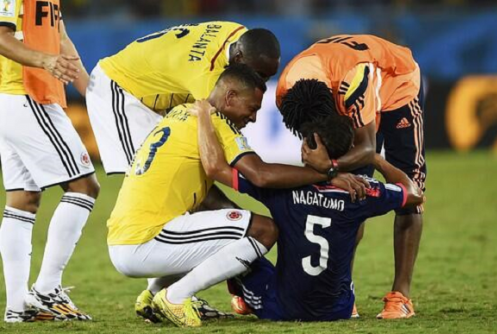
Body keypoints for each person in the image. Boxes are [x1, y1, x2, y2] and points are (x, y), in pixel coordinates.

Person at [106, 64, 366, 328]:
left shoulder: (181, 113)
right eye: (252, 108)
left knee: (241, 234)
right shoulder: (216, 121)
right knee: (265, 230)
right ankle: (175, 296)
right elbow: (261, 174)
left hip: (126, 239)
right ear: (229, 97)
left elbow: (209, 198)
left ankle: (151, 296)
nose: (253, 118)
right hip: (146, 238)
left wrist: (238, 226)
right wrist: (326, 174)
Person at [192, 98, 424, 321]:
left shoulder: (280, 186)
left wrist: (204, 116)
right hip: (338, 310)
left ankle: (244, 294)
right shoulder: (361, 191)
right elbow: (414, 195)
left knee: (234, 228)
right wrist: (375, 159)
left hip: (281, 308)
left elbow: (215, 168)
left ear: (308, 146)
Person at [275, 34, 426, 318]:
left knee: (410, 187)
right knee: (345, 197)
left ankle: (400, 296)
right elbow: (311, 148)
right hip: (341, 89)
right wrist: (332, 175)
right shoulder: (287, 94)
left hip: (396, 84)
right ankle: (342, 291)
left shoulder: (353, 80)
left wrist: (332, 168)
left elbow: (367, 148)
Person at [0, 0, 100, 323]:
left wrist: (92, 93)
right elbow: (1, 37)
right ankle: (46, 290)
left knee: (22, 200)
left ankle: (17, 307)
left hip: (17, 99)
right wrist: (45, 60)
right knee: (84, 185)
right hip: (25, 94)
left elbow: (59, 34)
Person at [86, 21, 281, 175]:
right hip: (122, 88)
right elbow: (224, 137)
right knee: (146, 173)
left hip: (153, 87)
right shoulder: (206, 77)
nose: (261, 82)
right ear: (238, 58)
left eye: (269, 76)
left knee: (176, 170)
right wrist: (260, 172)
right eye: (260, 74)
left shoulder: (237, 33)